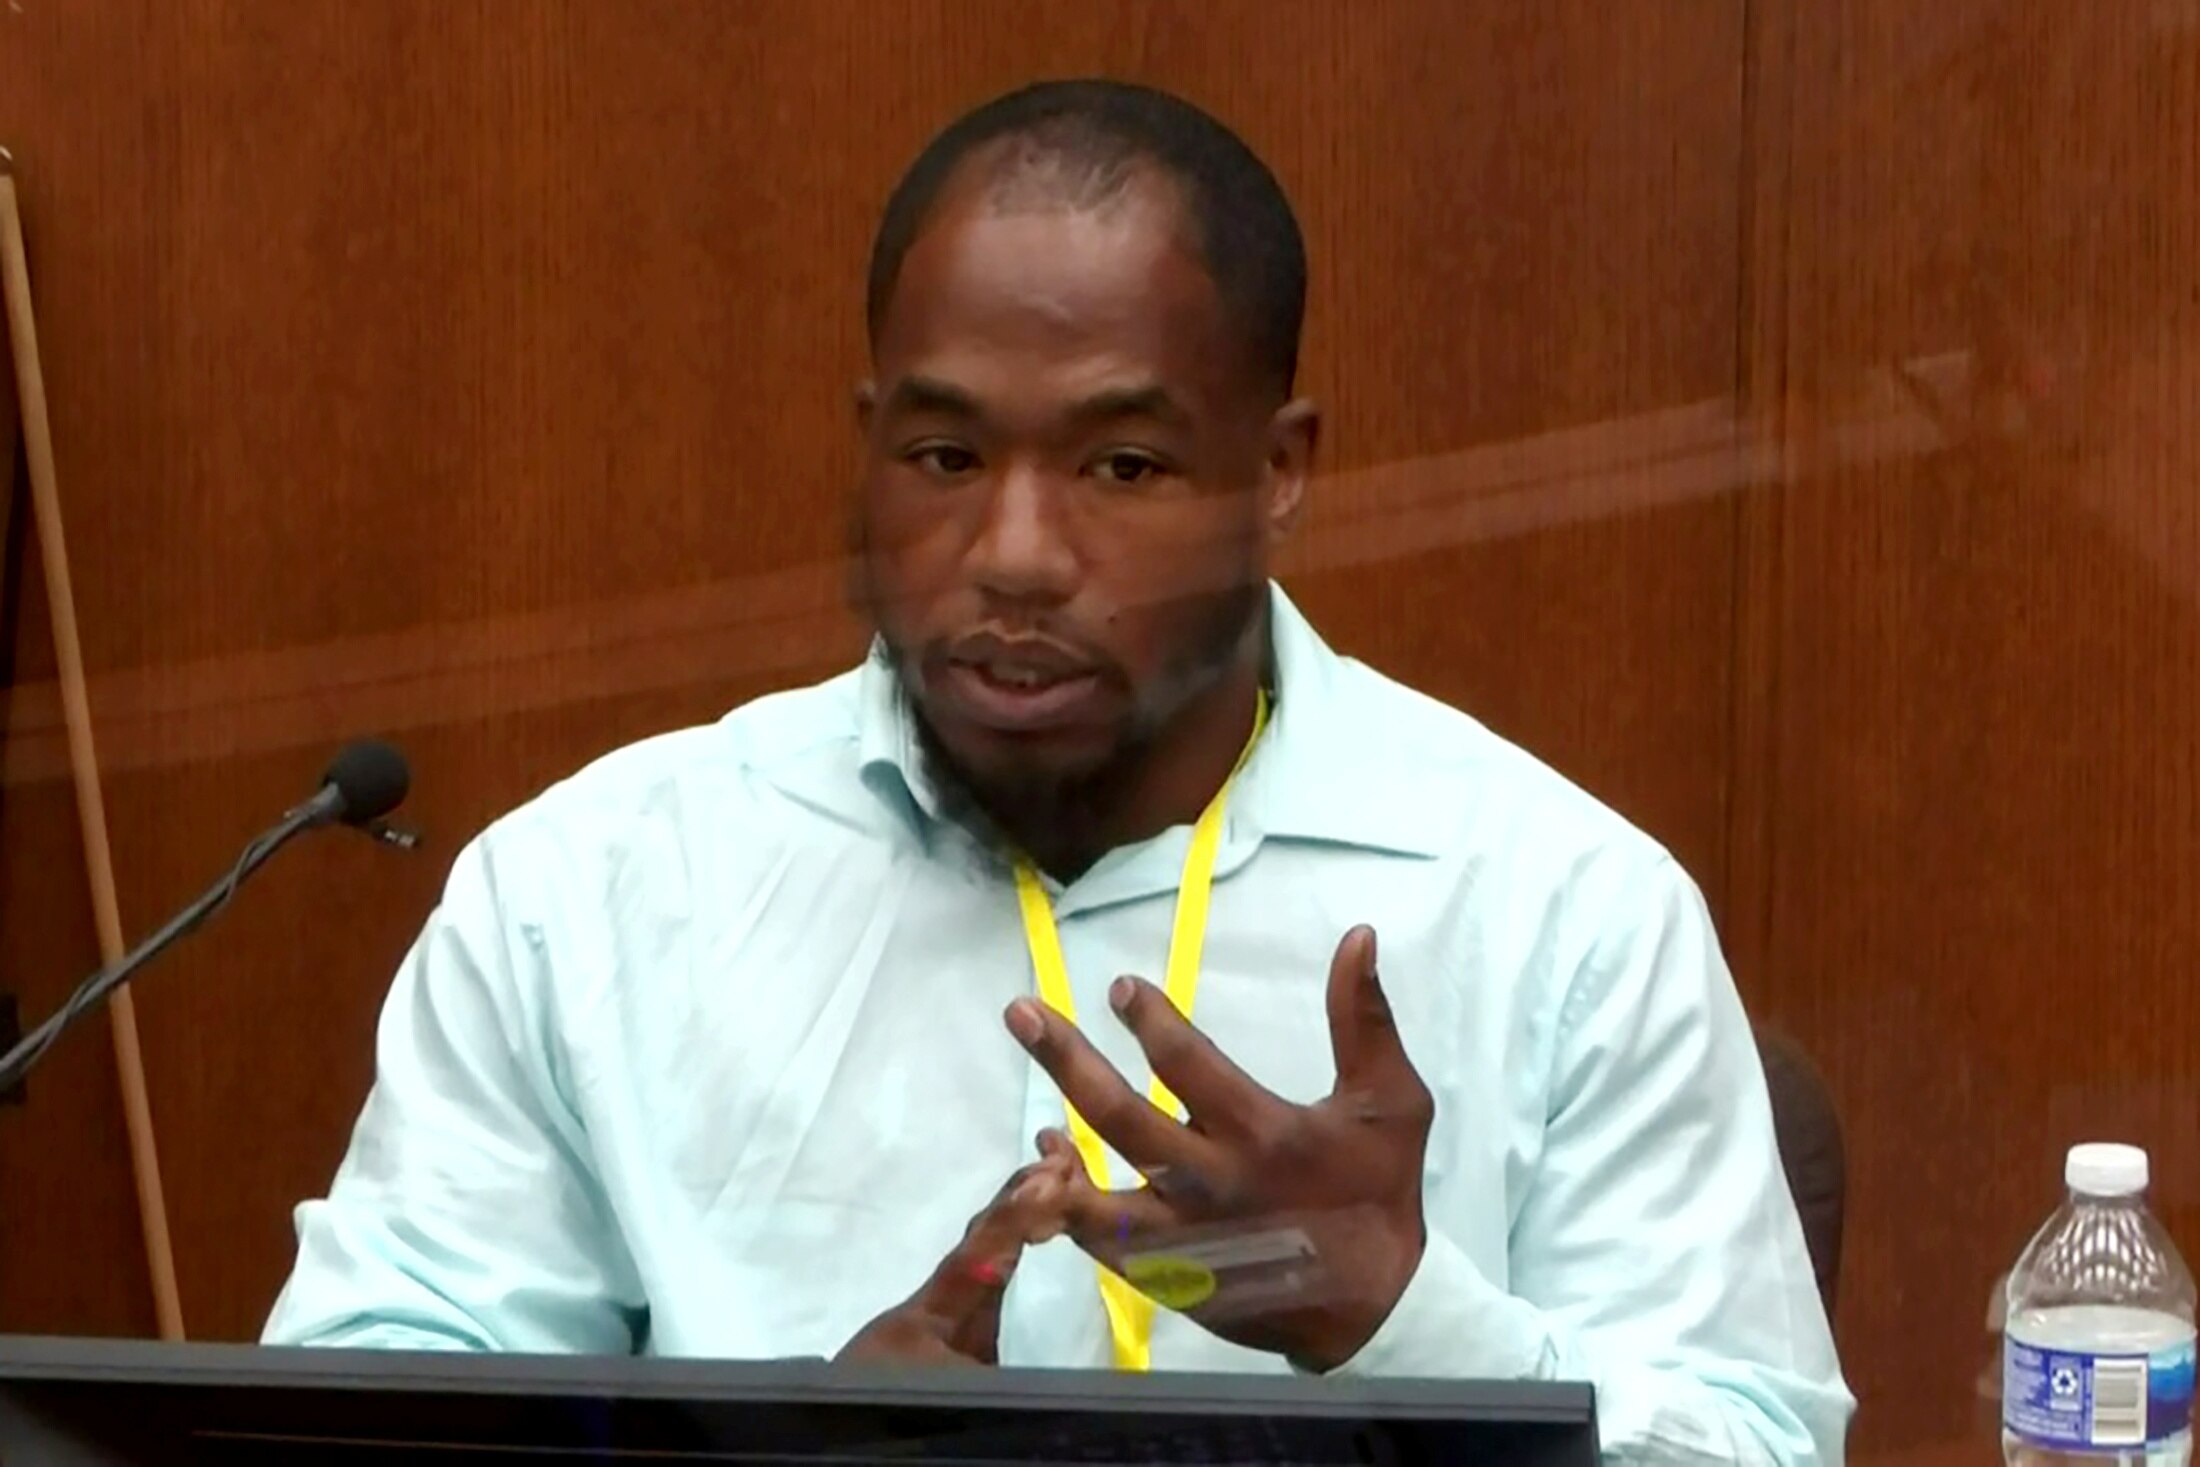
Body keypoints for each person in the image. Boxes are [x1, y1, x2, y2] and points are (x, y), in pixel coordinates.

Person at [265, 78, 1853, 1464]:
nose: (1014, 555)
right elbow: (355, 1428)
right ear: (869, 438)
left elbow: (1754, 1444)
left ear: (1277, 474)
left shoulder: (1560, 908)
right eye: (945, 458)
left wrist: (1403, 1325)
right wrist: (750, 1464)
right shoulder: (588, 898)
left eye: (1122, 466)